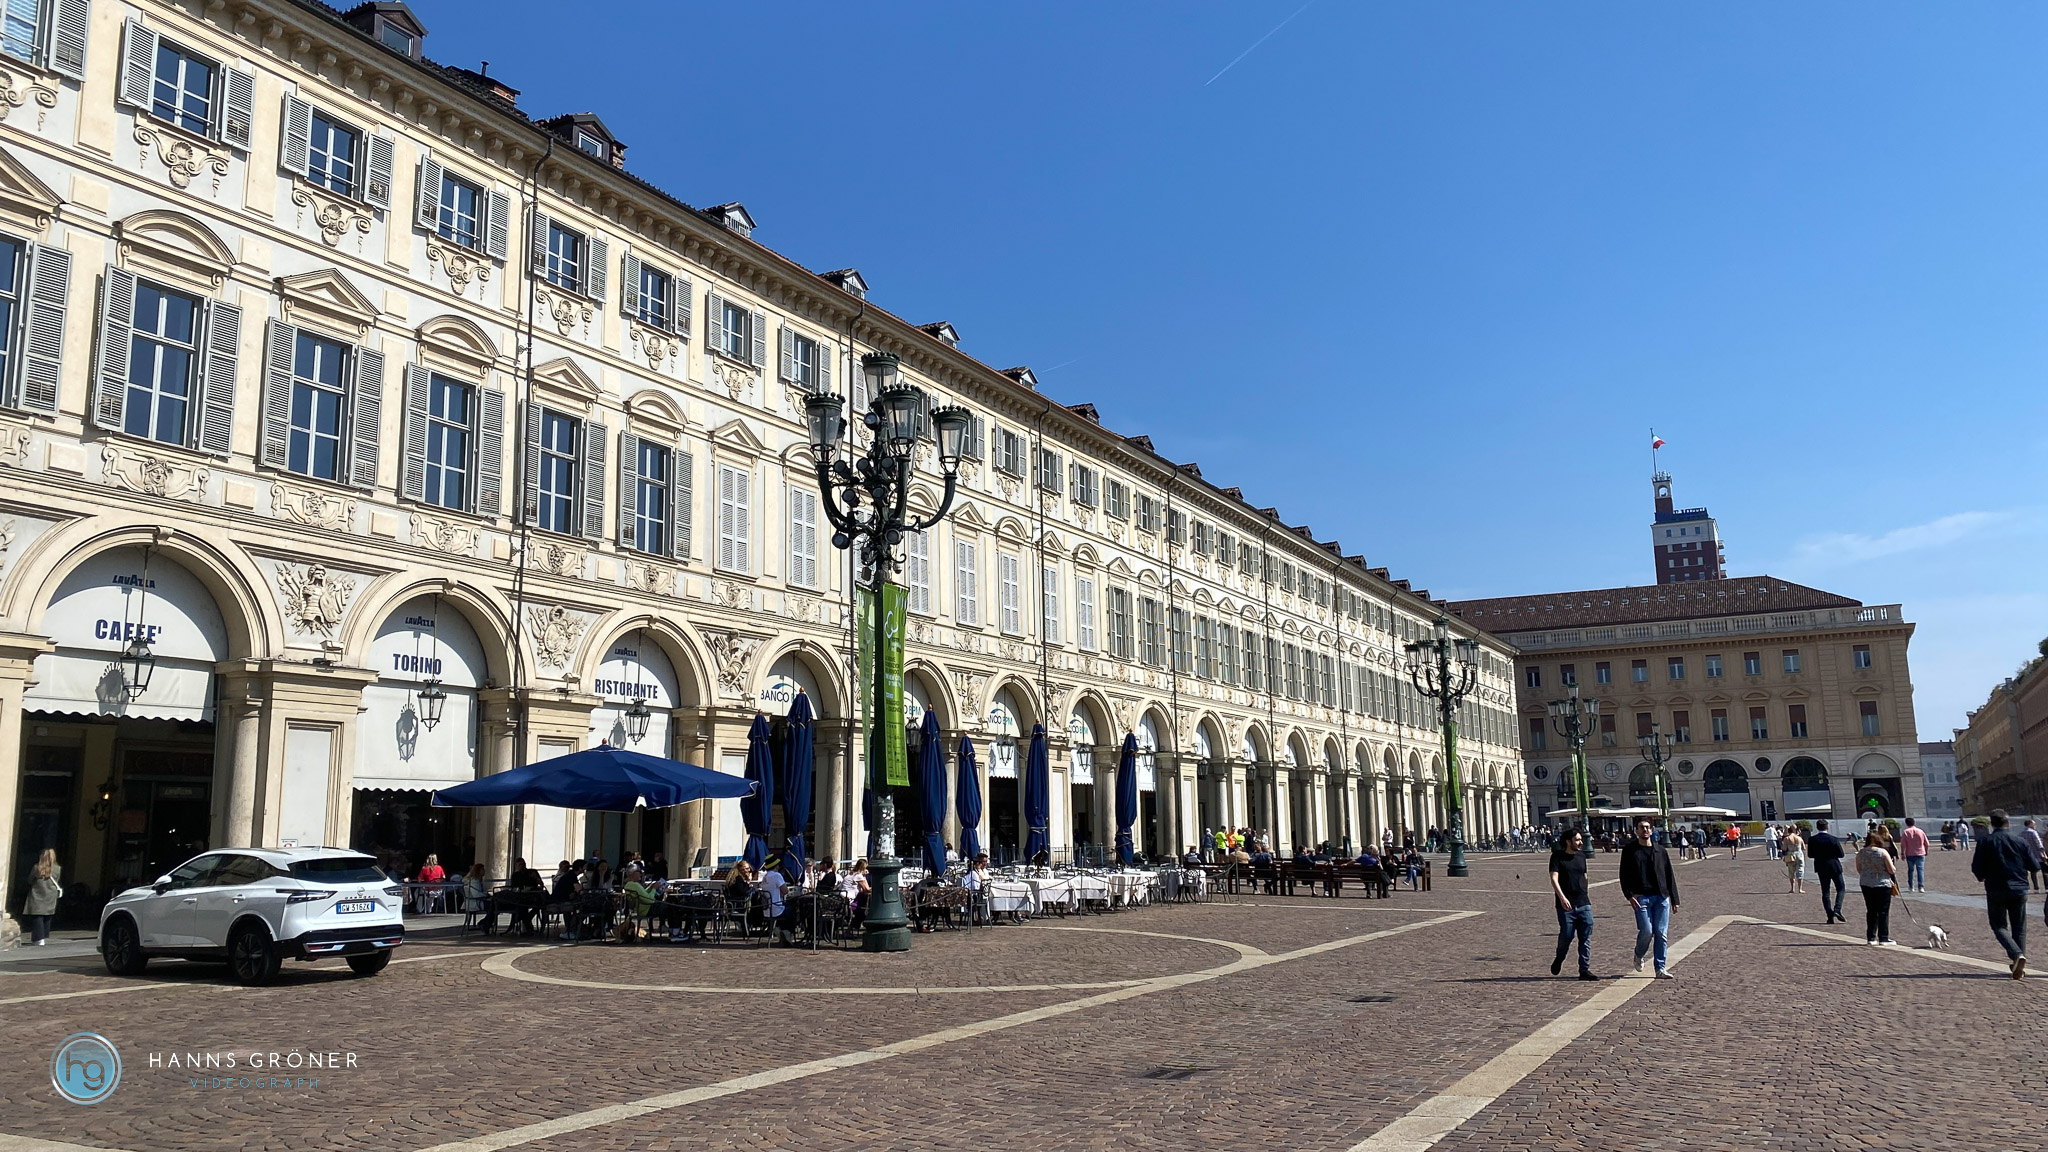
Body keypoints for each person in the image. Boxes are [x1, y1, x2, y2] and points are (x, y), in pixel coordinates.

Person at [1971, 809, 2032, 979]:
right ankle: (2017, 961)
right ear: (2008, 822)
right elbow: (2033, 865)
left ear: (1992, 824)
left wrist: (1981, 876)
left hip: (1996, 889)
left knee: (1999, 926)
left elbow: (1976, 866)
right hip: (2019, 889)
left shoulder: (1985, 842)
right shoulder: (2019, 841)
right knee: (2019, 928)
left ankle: (2016, 954)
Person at [1619, 818, 1680, 979]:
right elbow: (1623, 874)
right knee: (1646, 931)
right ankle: (1639, 953)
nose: (1645, 830)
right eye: (1641, 827)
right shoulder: (1630, 851)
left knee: (1661, 933)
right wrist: (1629, 895)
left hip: (1661, 897)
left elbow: (1669, 875)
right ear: (1636, 831)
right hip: (1641, 897)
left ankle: (1660, 968)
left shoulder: (1660, 851)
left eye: (1647, 827)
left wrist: (1675, 899)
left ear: (1652, 831)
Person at [1549, 829, 1597, 981]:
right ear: (1568, 841)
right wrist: (1562, 898)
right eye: (1577, 840)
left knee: (1585, 937)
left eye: (1581, 839)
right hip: (1565, 905)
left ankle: (1584, 969)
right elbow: (1554, 878)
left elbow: (1584, 875)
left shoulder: (1581, 856)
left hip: (1583, 903)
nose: (1580, 842)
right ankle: (1560, 957)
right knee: (1567, 935)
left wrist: (1585, 892)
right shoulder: (1557, 857)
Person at [1854, 830, 1899, 945]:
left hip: (1866, 883)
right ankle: (1883, 937)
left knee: (1871, 910)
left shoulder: (1861, 853)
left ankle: (1871, 937)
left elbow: (1859, 869)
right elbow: (1891, 870)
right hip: (1882, 883)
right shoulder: (1882, 852)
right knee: (1883, 911)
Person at [1808, 820, 1847, 924]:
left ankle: (1829, 915)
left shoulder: (1812, 839)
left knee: (1825, 892)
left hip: (1821, 866)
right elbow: (1841, 854)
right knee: (1841, 888)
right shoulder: (1833, 839)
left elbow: (1810, 855)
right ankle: (1837, 909)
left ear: (1817, 827)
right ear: (1827, 827)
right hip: (1834, 866)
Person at [23, 848, 60, 946]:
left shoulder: (36, 868)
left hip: (37, 894)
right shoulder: (57, 869)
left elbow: (30, 880)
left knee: (37, 916)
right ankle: (45, 935)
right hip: (51, 895)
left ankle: (38, 938)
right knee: (47, 915)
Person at [1898, 818, 1929, 893]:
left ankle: (1911, 886)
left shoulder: (1905, 832)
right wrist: (1926, 851)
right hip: (1920, 852)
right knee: (1920, 870)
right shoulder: (1920, 831)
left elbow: (1903, 844)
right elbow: (1926, 843)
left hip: (1910, 853)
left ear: (1906, 823)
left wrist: (1902, 853)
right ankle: (1921, 887)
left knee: (1910, 870)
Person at [1781, 825, 1807, 895]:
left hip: (1790, 856)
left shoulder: (1787, 838)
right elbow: (1804, 848)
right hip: (1799, 855)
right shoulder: (1799, 838)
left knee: (1791, 872)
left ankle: (1792, 888)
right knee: (1800, 871)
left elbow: (1784, 848)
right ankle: (1800, 888)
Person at [2022, 819, 2044, 891]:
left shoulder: (2022, 833)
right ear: (2030, 824)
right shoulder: (2033, 832)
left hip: (2028, 854)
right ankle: (2046, 887)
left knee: (2033, 872)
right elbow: (2038, 843)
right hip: (2038, 854)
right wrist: (2043, 851)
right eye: (2034, 824)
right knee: (2045, 871)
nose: (2035, 825)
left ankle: (2035, 887)